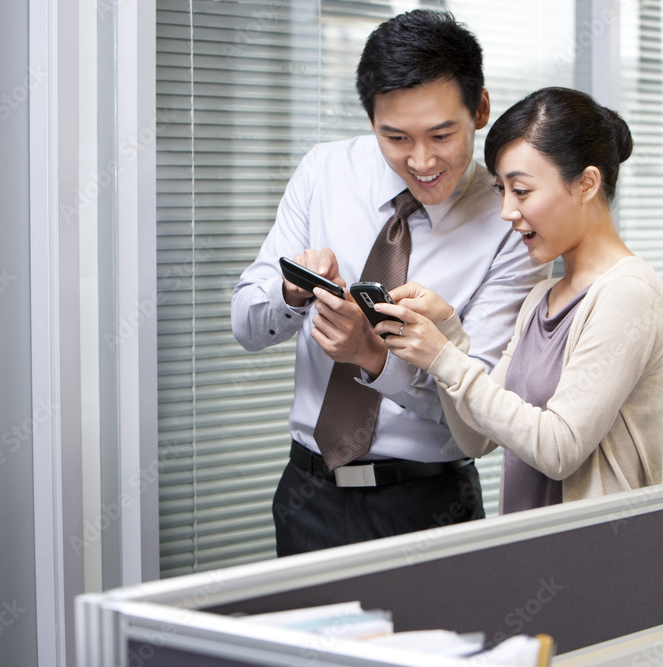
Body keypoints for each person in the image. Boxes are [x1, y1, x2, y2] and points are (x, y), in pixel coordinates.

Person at [231, 10, 548, 555]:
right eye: (394, 136)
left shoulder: (510, 221)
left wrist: (373, 358)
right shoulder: (324, 172)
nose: (421, 161)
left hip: (427, 506)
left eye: (442, 135)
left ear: (481, 110)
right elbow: (246, 325)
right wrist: (294, 292)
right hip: (308, 496)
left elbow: (481, 409)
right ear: (370, 119)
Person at [373, 87, 663, 512]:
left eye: (522, 190)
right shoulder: (541, 298)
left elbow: (559, 449)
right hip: (531, 551)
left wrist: (444, 357)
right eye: (501, 189)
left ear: (587, 183)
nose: (507, 211)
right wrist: (449, 335)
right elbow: (475, 439)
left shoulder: (629, 294)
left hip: (599, 558)